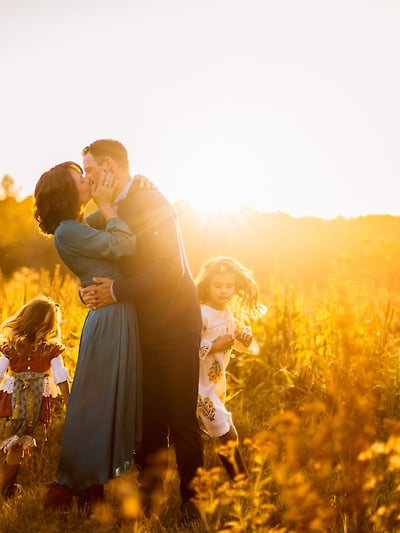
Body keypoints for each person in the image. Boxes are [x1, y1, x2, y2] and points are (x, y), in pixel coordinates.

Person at [78, 139, 204, 523]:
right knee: (150, 420)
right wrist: (88, 287)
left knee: (181, 419)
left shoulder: (152, 203)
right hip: (141, 330)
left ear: (111, 167)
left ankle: (193, 502)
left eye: (90, 170)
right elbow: (85, 242)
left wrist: (114, 291)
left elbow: (168, 271)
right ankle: (150, 501)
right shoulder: (110, 210)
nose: (87, 178)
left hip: (176, 326)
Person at [33, 161, 142, 512]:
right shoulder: (68, 231)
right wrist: (108, 205)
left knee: (106, 401)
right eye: (79, 177)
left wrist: (111, 193)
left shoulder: (79, 224)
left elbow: (109, 219)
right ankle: (75, 485)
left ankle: (91, 485)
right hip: (110, 318)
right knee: (95, 405)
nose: (86, 178)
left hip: (115, 313)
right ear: (66, 192)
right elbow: (124, 244)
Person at [0, 296, 71, 498]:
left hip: (8, 403)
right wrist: (69, 401)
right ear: (50, 325)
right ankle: (5, 489)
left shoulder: (13, 346)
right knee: (16, 446)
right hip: (33, 408)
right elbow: (60, 376)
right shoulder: (51, 349)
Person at [194, 256, 266, 480]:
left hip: (214, 384)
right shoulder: (202, 313)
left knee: (213, 428)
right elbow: (187, 348)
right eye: (218, 286)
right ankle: (240, 480)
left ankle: (234, 480)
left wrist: (244, 338)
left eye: (229, 286)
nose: (224, 291)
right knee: (226, 431)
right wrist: (215, 345)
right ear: (207, 286)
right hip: (197, 384)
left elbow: (239, 344)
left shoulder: (227, 314)